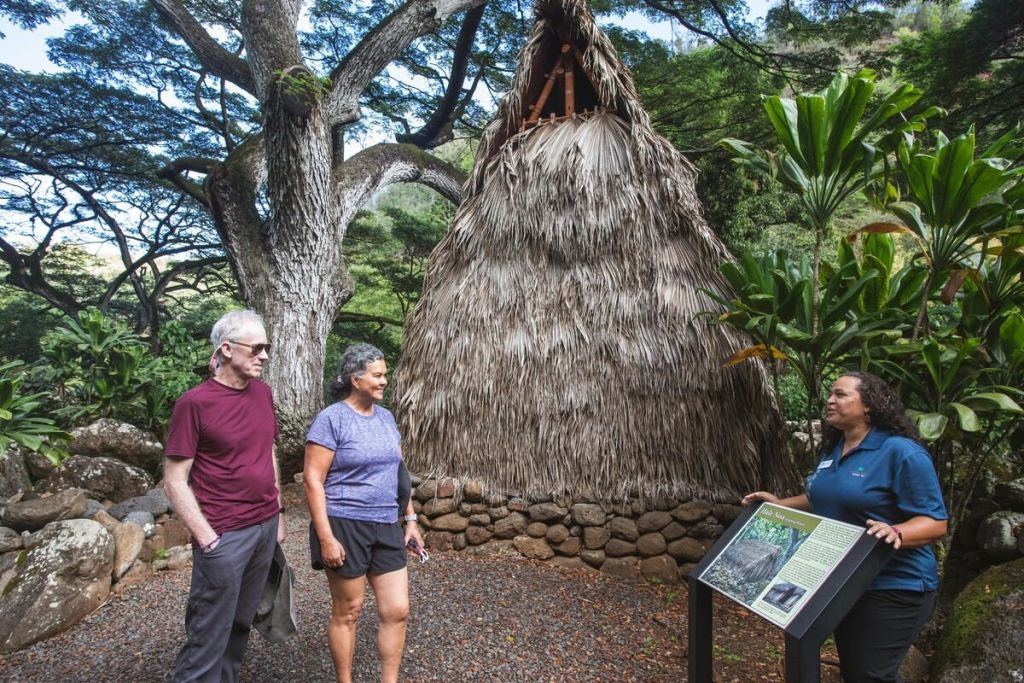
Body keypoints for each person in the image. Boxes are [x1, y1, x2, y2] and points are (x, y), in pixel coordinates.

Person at [743, 371, 947, 683]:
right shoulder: (834, 449)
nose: (830, 400)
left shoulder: (901, 452)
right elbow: (822, 497)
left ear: (869, 405)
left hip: (895, 585)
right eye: (830, 393)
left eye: (840, 394)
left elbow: (935, 523)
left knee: (871, 675)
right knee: (855, 672)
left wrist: (897, 532)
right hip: (843, 582)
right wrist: (779, 504)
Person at [163, 309, 286, 683]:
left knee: (239, 626)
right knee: (207, 635)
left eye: (267, 347)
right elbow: (174, 479)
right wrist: (206, 537)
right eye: (257, 348)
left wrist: (278, 514)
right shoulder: (194, 403)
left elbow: (268, 452)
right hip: (225, 534)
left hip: (264, 527)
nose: (264, 355)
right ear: (227, 349)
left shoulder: (263, 393)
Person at [304, 343, 424, 683]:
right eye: (378, 375)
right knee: (349, 611)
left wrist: (410, 519)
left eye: (385, 374)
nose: (385, 381)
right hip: (345, 524)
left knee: (397, 610)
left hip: (387, 522)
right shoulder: (331, 419)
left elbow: (397, 472)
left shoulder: (386, 419)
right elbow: (313, 480)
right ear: (356, 379)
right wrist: (326, 537)